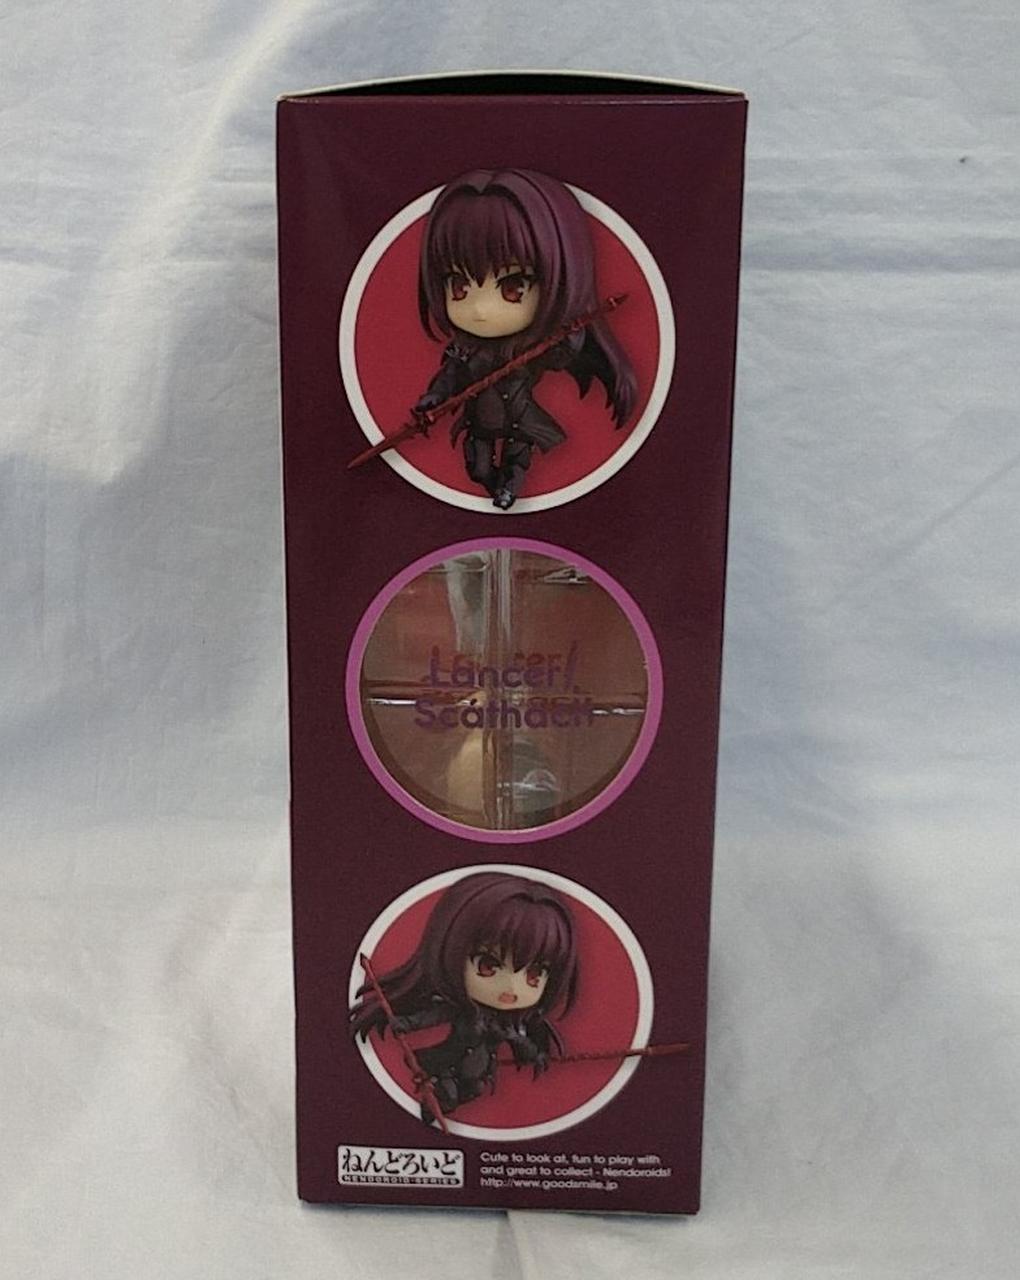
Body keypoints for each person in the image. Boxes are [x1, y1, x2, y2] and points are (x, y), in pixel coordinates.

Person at [414, 169, 636, 509]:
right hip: (479, 421)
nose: (481, 310)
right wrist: (433, 399)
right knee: (478, 469)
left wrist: (571, 334)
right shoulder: (463, 351)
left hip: (519, 417)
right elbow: (448, 378)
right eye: (459, 286)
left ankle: (509, 489)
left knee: (516, 460)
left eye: (512, 286)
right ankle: (495, 487)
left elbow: (560, 357)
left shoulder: (533, 349)